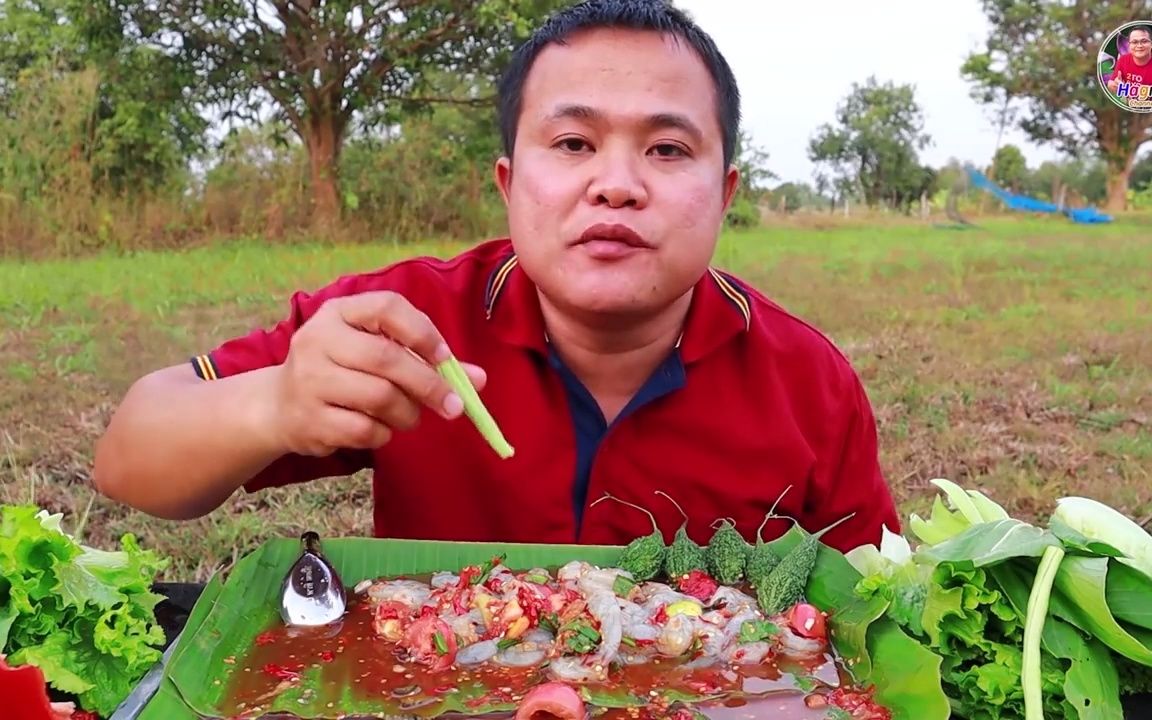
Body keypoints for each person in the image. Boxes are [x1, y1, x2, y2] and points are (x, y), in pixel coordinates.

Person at [92, 0, 900, 555]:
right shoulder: (402, 323)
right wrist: (272, 403)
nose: (616, 184)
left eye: (667, 149)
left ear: (725, 194)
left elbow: (873, 609)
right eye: (574, 143)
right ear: (511, 185)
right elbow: (130, 460)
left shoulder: (810, 384)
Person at [1107, 26, 1151, 94]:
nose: (1139, 46)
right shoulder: (1123, 60)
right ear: (1129, 45)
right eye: (1134, 42)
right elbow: (1111, 83)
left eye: (1144, 41)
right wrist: (1115, 85)